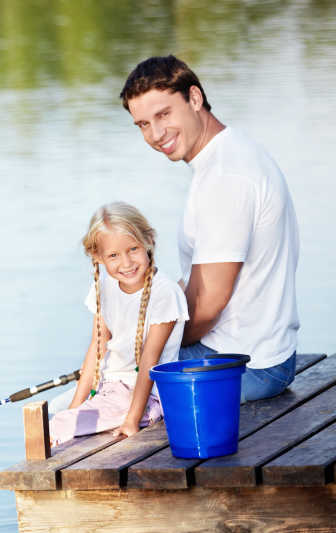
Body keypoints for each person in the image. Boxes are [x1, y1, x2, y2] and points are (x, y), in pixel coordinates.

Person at [119, 55, 300, 402]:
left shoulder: (226, 177)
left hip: (244, 365)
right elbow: (196, 283)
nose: (156, 134)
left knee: (115, 389)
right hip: (257, 353)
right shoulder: (229, 154)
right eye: (143, 124)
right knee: (116, 367)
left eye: (164, 114)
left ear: (195, 98)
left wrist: (152, 343)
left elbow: (207, 304)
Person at [48, 202, 188, 446]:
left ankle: (143, 416)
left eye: (133, 249)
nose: (126, 263)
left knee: (53, 428)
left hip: (148, 394)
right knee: (57, 415)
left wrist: (132, 420)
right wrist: (75, 408)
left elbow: (149, 360)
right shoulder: (104, 286)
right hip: (109, 387)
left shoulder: (164, 293)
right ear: (97, 256)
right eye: (113, 255)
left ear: (149, 240)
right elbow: (97, 347)